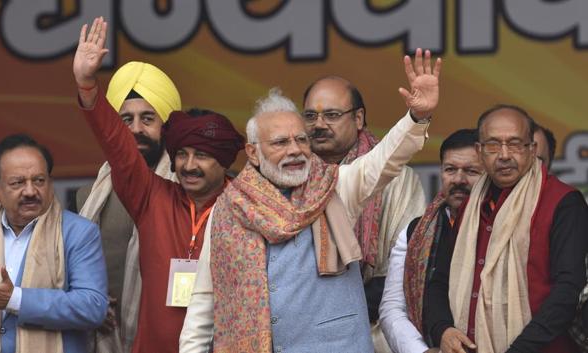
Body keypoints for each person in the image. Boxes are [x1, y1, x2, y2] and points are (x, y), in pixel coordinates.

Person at [181, 47, 442, 353]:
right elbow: (203, 299)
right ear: (253, 153)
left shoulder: (333, 188)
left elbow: (382, 162)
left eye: (300, 139)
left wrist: (417, 117)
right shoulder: (229, 209)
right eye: (280, 142)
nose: (295, 150)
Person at [73, 17, 245, 353]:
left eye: (202, 155)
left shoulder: (245, 206)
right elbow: (118, 147)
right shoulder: (153, 197)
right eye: (181, 154)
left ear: (224, 160)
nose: (189, 165)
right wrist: (87, 84)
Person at [425, 105, 588, 353]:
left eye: (514, 144)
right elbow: (439, 280)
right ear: (479, 151)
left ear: (532, 150)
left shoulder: (562, 201)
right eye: (492, 145)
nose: (503, 155)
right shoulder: (471, 204)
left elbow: (567, 292)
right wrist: (443, 329)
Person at [302, 76, 426, 351]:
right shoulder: (292, 177)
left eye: (332, 115)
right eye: (311, 116)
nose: (319, 124)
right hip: (301, 332)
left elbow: (405, 267)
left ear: (358, 118)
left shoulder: (397, 179)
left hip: (375, 330)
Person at [0, 134, 108, 353]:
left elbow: (92, 306)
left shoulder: (79, 233)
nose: (30, 191)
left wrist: (14, 299)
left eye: (39, 180)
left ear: (50, 183)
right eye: (18, 183)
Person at [74, 60, 180, 353]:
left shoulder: (188, 193)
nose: (136, 129)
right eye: (125, 120)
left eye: (148, 118)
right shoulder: (87, 196)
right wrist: (86, 299)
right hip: (104, 337)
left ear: (167, 124)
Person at [379, 129, 483, 353]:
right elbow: (392, 308)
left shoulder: (503, 229)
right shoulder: (416, 231)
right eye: (450, 169)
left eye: (471, 171)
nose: (458, 179)